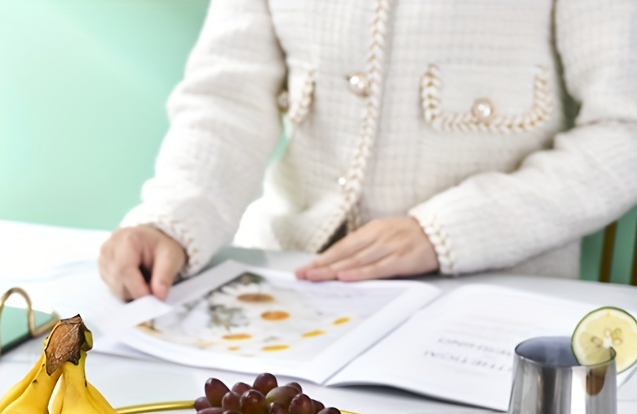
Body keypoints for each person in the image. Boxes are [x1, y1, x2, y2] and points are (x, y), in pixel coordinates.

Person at [98, 0, 637, 301]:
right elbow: (227, 101)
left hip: (494, 295)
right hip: (293, 282)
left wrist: (446, 232)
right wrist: (173, 219)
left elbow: (625, 130)